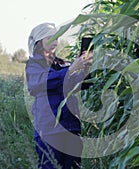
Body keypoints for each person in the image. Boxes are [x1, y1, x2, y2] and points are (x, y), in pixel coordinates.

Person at [25, 22, 92, 169]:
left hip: (70, 127)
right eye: (50, 38)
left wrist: (86, 68)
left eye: (56, 37)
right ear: (39, 42)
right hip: (49, 130)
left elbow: (78, 84)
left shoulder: (61, 64)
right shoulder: (34, 64)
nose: (55, 41)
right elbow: (41, 83)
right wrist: (72, 69)